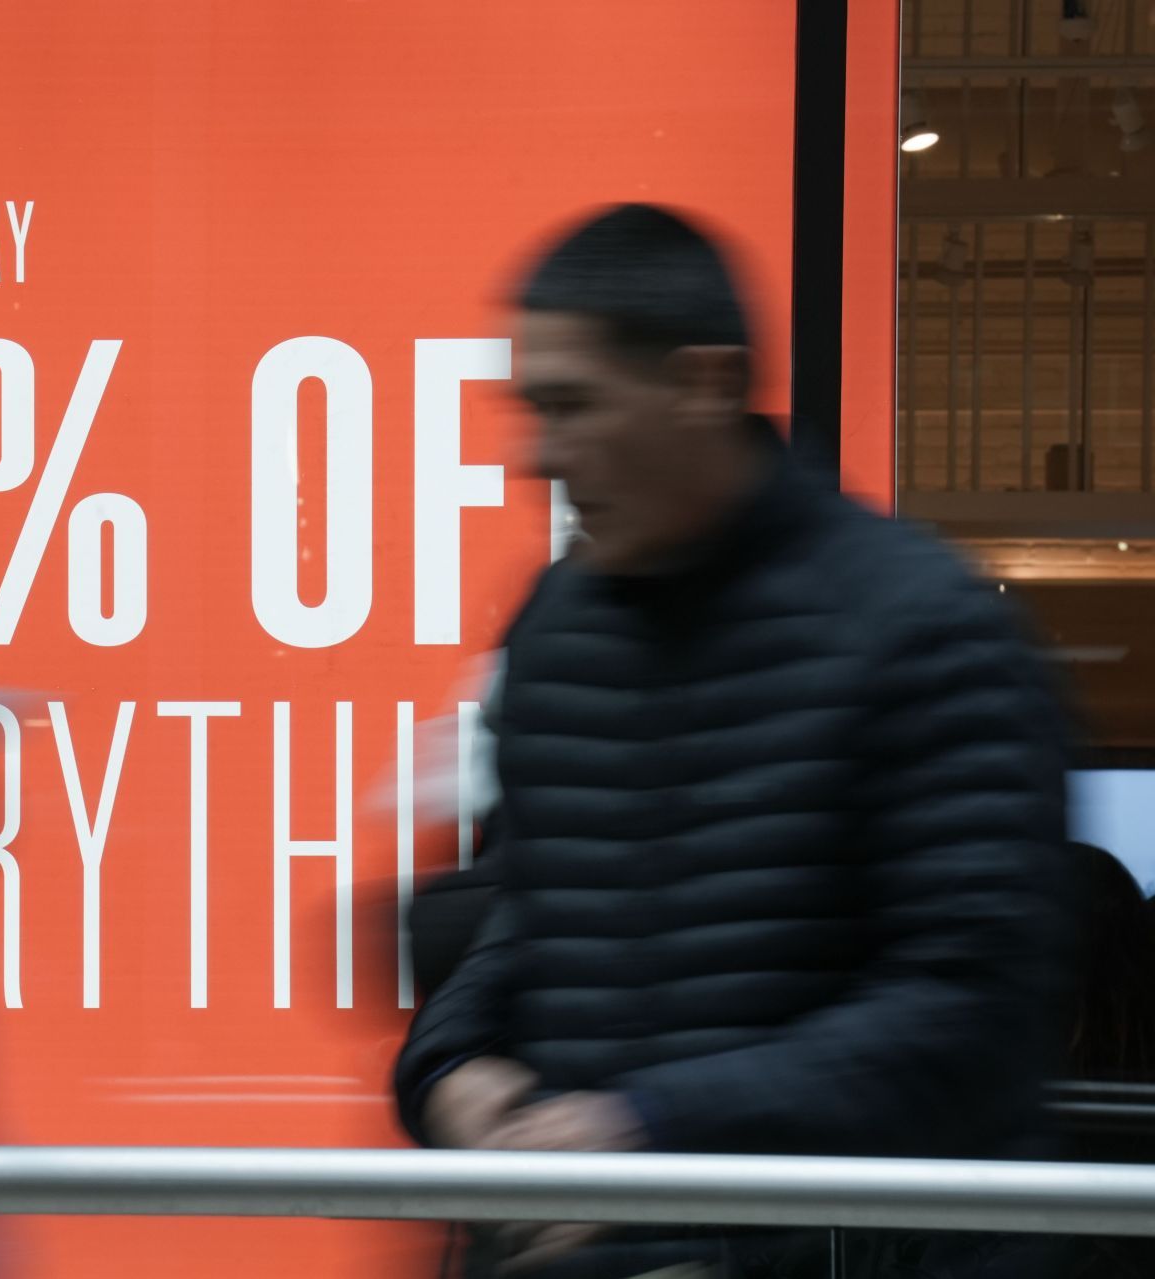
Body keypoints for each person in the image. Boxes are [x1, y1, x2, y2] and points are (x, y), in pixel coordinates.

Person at [392, 204, 1076, 1279]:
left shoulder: (922, 626)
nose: (539, 453)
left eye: (573, 406)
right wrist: (452, 1066)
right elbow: (526, 904)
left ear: (701, 384)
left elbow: (968, 1015)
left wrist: (649, 1127)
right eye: (532, 407)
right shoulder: (561, 627)